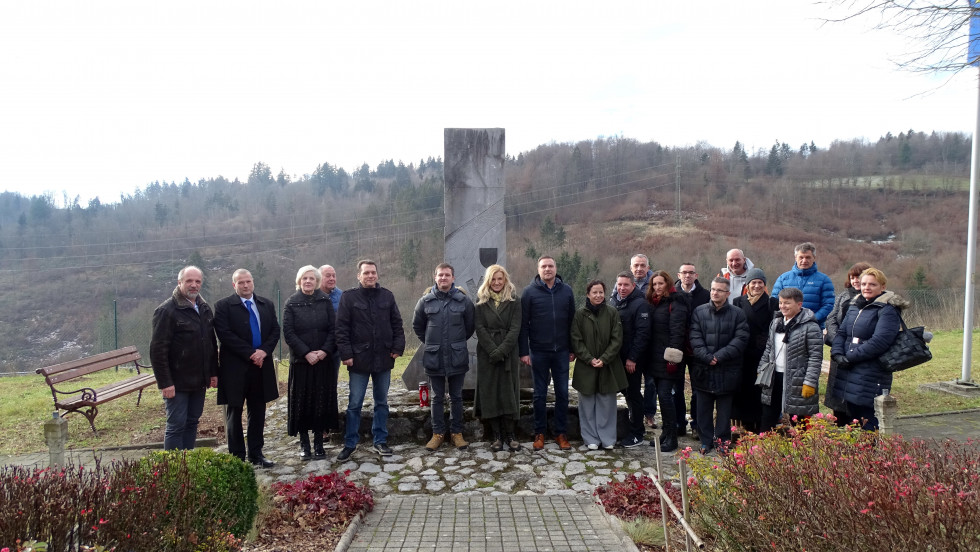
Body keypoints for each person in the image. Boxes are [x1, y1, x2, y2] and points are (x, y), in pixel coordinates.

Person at [336, 259, 405, 460]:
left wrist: (397, 347)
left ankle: (380, 440)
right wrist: (346, 354)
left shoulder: (387, 296)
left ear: (377, 275)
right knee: (355, 403)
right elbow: (341, 328)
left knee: (381, 402)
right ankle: (350, 443)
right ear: (359, 276)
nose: (370, 276)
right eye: (366, 273)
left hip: (383, 357)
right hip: (358, 359)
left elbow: (397, 324)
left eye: (373, 272)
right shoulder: (348, 298)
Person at [213, 269, 281, 467]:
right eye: (240, 282)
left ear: (253, 282)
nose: (245, 285)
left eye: (248, 281)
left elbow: (275, 330)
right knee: (234, 412)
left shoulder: (265, 304)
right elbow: (224, 334)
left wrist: (263, 352)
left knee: (258, 411)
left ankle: (256, 454)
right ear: (234, 285)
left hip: (261, 366)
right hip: (235, 368)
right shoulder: (223, 306)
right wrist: (251, 353)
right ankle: (237, 457)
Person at [149, 265, 218, 451]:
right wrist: (165, 383)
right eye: (189, 281)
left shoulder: (204, 308)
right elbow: (157, 350)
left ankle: (188, 465)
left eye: (197, 281)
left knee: (192, 423)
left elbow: (211, 343)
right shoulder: (167, 311)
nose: (193, 285)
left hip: (199, 381)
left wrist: (212, 373)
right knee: (176, 426)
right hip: (176, 383)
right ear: (180, 283)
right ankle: (174, 470)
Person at [831, 268, 904, 431]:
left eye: (872, 284)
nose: (866, 287)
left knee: (869, 417)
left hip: (871, 370)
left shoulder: (888, 310)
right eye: (864, 284)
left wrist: (849, 357)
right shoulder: (854, 306)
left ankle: (872, 453)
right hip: (849, 370)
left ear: (882, 286)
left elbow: (879, 342)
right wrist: (836, 353)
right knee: (855, 416)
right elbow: (842, 333)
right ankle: (859, 453)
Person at [413, 263, 476, 451]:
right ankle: (437, 434)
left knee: (457, 397)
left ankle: (457, 434)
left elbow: (470, 326)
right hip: (434, 357)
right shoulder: (425, 301)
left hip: (457, 356)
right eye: (440, 275)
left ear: (453, 278)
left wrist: (455, 343)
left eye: (447, 275)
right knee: (437, 397)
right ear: (435, 277)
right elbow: (418, 326)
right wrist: (432, 342)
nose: (443, 278)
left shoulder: (463, 301)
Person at [520, 255, 576, 451]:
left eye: (550, 266)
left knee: (562, 393)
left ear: (556, 268)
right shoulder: (529, 292)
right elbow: (523, 325)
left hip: (561, 351)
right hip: (538, 351)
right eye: (543, 266)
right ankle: (539, 432)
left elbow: (572, 323)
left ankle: (561, 433)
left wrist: (572, 348)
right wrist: (524, 351)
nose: (547, 269)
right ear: (538, 269)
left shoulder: (566, 291)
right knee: (539, 395)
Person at [282, 265, 337, 461]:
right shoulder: (291, 303)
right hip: (301, 363)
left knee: (320, 402)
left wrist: (323, 352)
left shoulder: (325, 301)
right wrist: (306, 353)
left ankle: (320, 445)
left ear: (317, 281)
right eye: (304, 278)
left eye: (311, 278)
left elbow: (333, 329)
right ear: (299, 281)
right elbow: (289, 333)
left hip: (323, 361)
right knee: (302, 403)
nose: (308, 281)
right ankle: (305, 444)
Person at [689, 277, 749, 454]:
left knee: (724, 411)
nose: (715, 293)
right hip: (703, 368)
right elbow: (694, 337)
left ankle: (722, 442)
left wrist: (719, 356)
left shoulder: (738, 313)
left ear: (728, 293)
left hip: (727, 369)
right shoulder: (699, 312)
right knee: (703, 410)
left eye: (719, 290)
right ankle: (706, 441)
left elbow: (741, 339)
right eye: (713, 289)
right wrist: (707, 357)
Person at [757, 287, 823, 432]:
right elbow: (769, 349)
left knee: (800, 424)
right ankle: (764, 451)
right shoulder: (776, 323)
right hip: (774, 378)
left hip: (798, 380)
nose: (782, 306)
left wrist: (810, 382)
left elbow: (815, 357)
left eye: (787, 303)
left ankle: (801, 452)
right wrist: (761, 369)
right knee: (767, 419)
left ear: (799, 304)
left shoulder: (810, 327)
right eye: (781, 303)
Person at [571, 280, 626, 450]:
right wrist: (589, 358)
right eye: (594, 292)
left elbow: (617, 339)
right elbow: (576, 339)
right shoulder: (580, 314)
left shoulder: (612, 313)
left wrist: (605, 358)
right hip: (586, 366)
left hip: (608, 365)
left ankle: (608, 438)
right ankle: (591, 438)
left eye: (601, 292)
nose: (598, 295)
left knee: (607, 403)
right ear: (588, 294)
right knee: (587, 403)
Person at [475, 264, 523, 452]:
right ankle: (496, 437)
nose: (496, 282)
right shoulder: (480, 301)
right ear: (488, 281)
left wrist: (501, 351)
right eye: (493, 279)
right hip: (487, 355)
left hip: (508, 353)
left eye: (500, 279)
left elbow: (515, 328)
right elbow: (480, 328)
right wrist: (492, 351)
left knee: (508, 393)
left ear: (505, 280)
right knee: (491, 394)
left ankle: (510, 435)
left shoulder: (514, 301)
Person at [823, 262, 872, 426]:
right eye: (852, 277)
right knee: (837, 392)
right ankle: (839, 422)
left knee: (855, 392)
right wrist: (838, 339)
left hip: (858, 352)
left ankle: (857, 423)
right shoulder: (843, 296)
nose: (855, 281)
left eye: (858, 277)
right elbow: (831, 318)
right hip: (839, 350)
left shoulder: (872, 299)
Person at [645, 270, 689, 452]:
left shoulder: (676, 302)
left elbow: (678, 332)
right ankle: (665, 433)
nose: (657, 287)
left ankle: (672, 438)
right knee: (661, 397)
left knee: (665, 396)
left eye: (660, 284)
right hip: (655, 357)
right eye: (654, 284)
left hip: (669, 359)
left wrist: (673, 360)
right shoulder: (655, 303)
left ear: (668, 283)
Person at [731, 268, 777, 433]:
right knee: (742, 389)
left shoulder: (772, 303)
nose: (757, 286)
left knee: (759, 391)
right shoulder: (737, 302)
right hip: (742, 354)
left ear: (764, 285)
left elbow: (774, 327)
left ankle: (760, 425)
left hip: (762, 355)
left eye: (760, 283)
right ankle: (744, 426)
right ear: (747, 285)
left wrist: (762, 343)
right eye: (753, 282)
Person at [609, 272, 650, 448]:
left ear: (633, 285)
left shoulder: (640, 304)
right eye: (619, 285)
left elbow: (642, 334)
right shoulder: (614, 301)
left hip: (632, 360)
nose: (622, 288)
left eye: (626, 285)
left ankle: (637, 432)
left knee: (633, 394)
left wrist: (633, 358)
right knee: (626, 393)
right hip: (617, 358)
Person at [674, 262, 709, 438]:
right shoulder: (671, 294)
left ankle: (696, 424)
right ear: (678, 275)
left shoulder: (705, 296)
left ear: (696, 276)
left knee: (697, 389)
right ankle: (679, 423)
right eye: (684, 273)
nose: (687, 276)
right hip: (676, 348)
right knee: (676, 389)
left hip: (697, 349)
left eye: (691, 273)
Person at [770, 242, 836, 328]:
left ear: (814, 258)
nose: (804, 260)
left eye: (808, 257)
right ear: (795, 258)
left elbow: (829, 305)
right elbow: (774, 303)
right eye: (801, 257)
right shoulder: (783, 279)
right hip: (787, 327)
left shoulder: (824, 280)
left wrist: (812, 319)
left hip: (813, 328)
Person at [318, 263, 343, 439]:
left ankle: (330, 423)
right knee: (317, 388)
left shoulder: (341, 296)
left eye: (333, 275)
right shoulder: (313, 296)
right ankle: (319, 426)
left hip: (334, 351)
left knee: (331, 387)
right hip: (315, 351)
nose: (332, 278)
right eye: (328, 275)